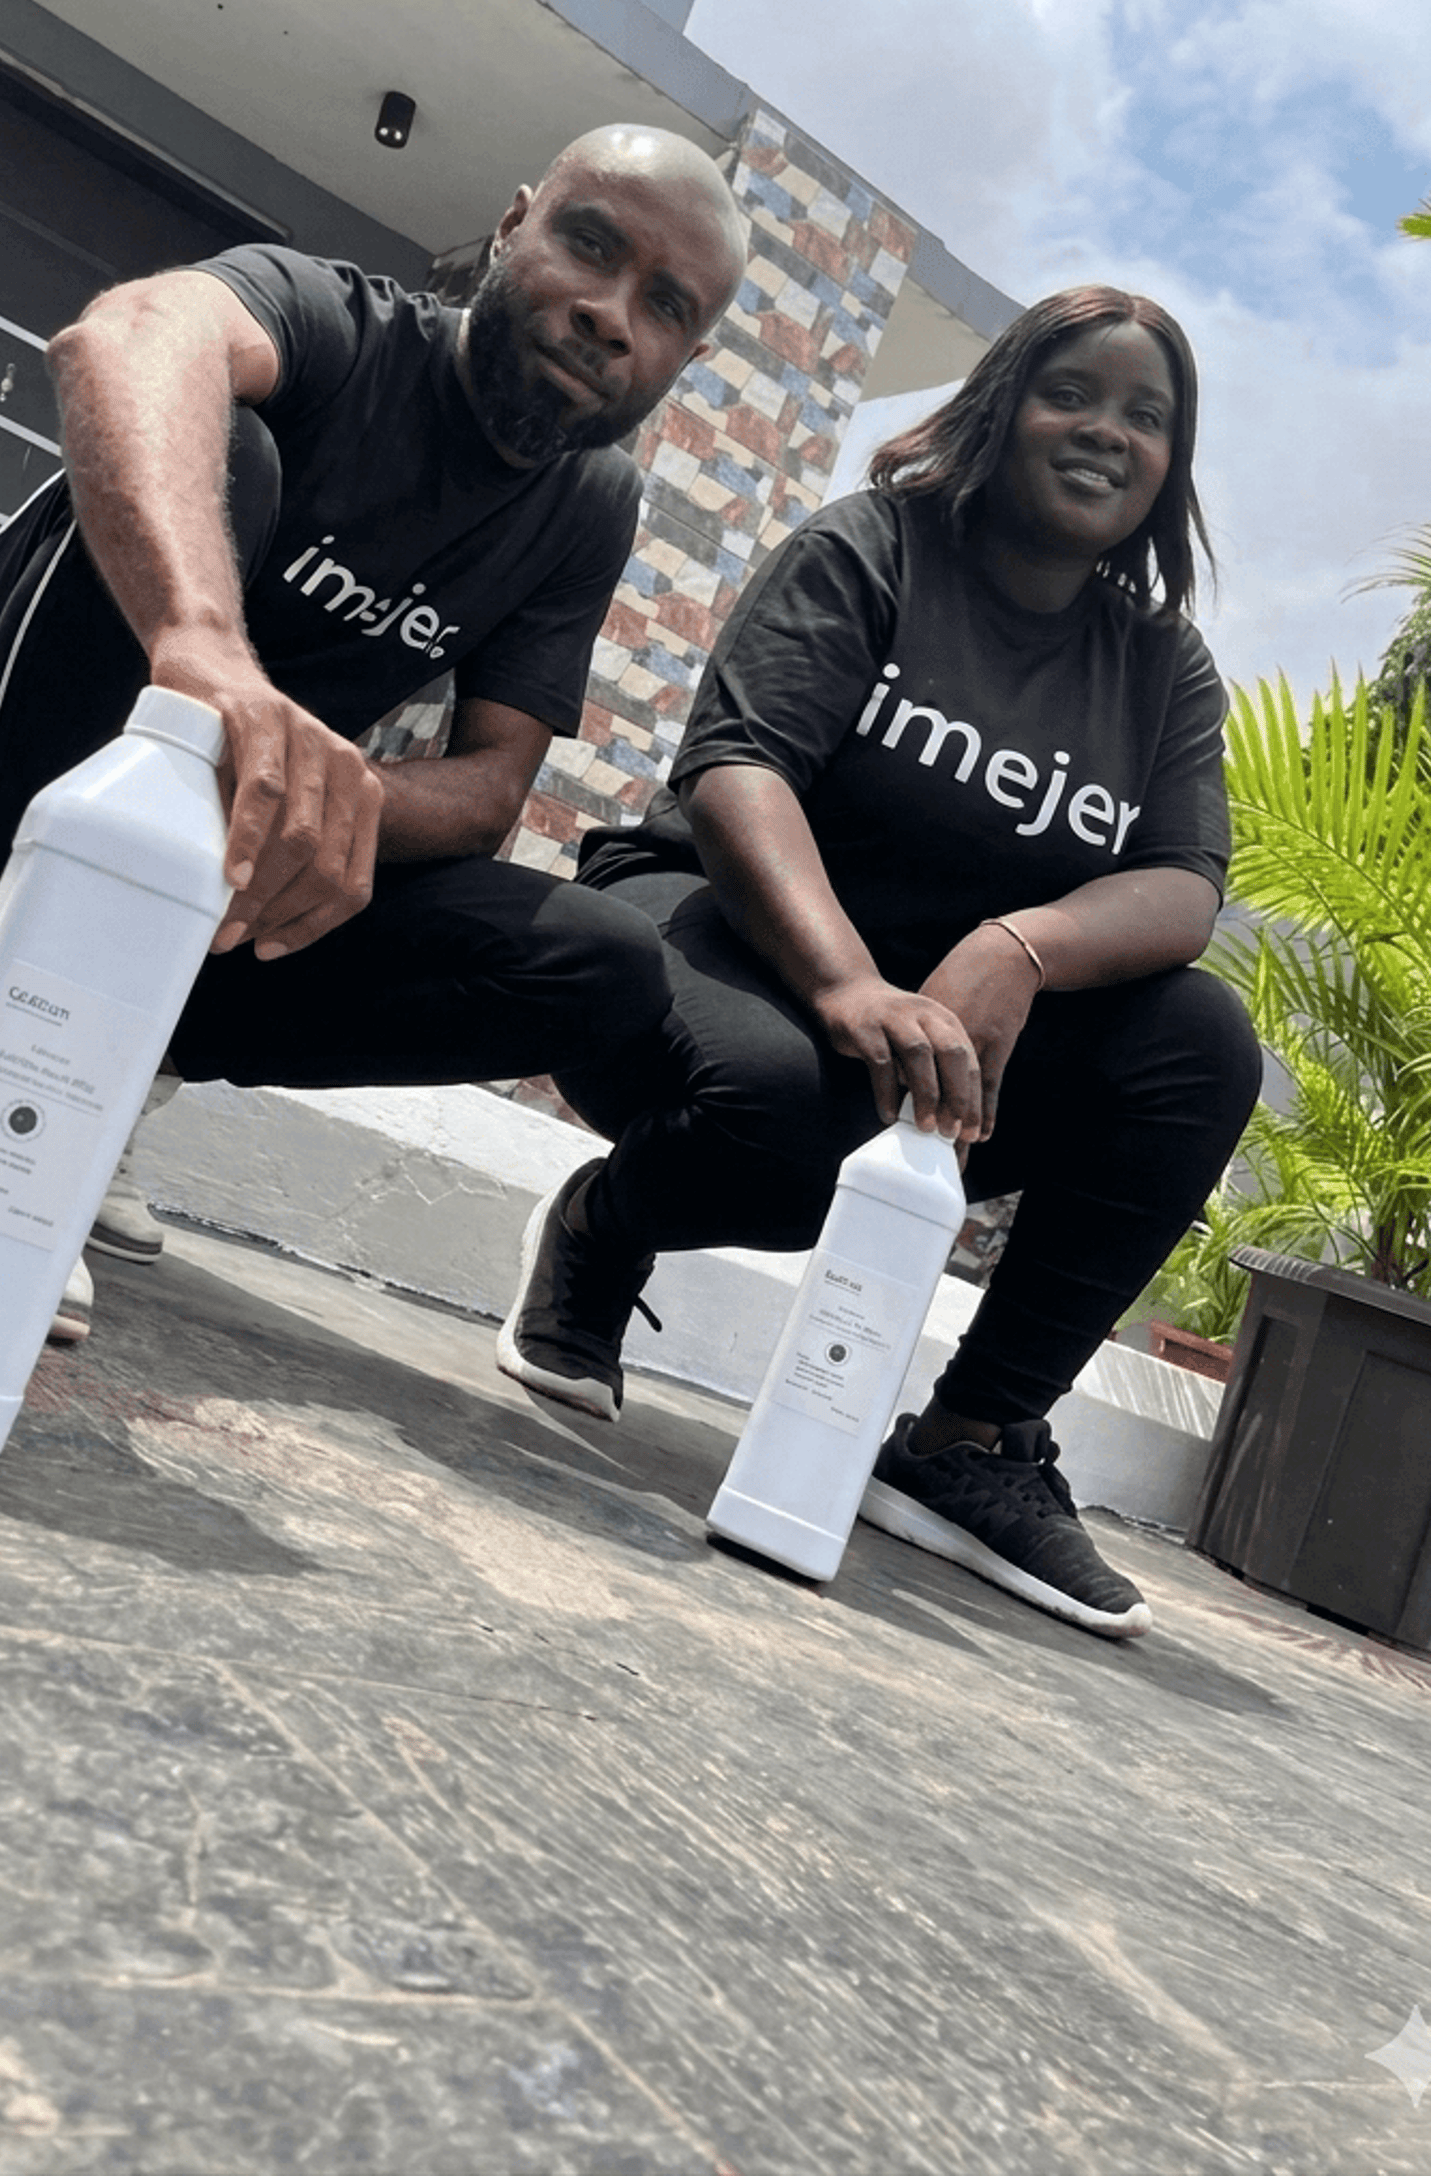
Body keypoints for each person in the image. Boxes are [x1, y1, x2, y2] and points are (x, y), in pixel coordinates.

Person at [0, 126, 751, 1338]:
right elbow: (124, 339)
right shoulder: (337, 324)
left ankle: (103, 1084)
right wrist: (201, 649)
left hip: (208, 871)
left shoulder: (589, 502)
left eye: (663, 304)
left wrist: (318, 785)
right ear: (515, 225)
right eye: (590, 243)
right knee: (223, 448)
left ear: (686, 352)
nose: (610, 314)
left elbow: (489, 789)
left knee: (603, 965)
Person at [496, 286, 1261, 1640]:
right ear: (1003, 403)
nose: (1106, 433)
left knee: (1199, 1043)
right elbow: (736, 770)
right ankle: (602, 1229)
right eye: (1072, 391)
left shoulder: (1159, 668)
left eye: (1149, 417)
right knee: (795, 1119)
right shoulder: (874, 547)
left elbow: (1184, 888)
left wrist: (1018, 946)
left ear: (1171, 466)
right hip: (729, 934)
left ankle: (971, 1440)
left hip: (954, 1015)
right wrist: (850, 983)